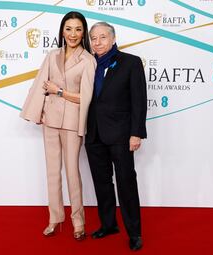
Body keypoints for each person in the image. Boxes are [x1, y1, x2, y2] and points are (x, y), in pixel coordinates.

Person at [19, 11, 96, 241]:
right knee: (52, 171)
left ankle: (78, 222)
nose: (73, 34)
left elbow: (86, 97)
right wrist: (37, 112)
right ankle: (54, 219)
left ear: (84, 33)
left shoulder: (88, 60)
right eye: (69, 28)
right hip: (50, 119)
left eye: (78, 29)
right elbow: (40, 85)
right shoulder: (52, 55)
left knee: (72, 172)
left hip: (72, 122)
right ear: (62, 30)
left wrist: (60, 91)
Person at [85, 22, 147, 251]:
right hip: (94, 134)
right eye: (93, 38)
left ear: (112, 39)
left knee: (126, 184)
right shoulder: (88, 64)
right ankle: (109, 225)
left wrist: (136, 133)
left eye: (102, 37)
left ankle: (135, 233)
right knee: (102, 184)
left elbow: (139, 101)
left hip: (121, 135)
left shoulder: (130, 62)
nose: (97, 42)